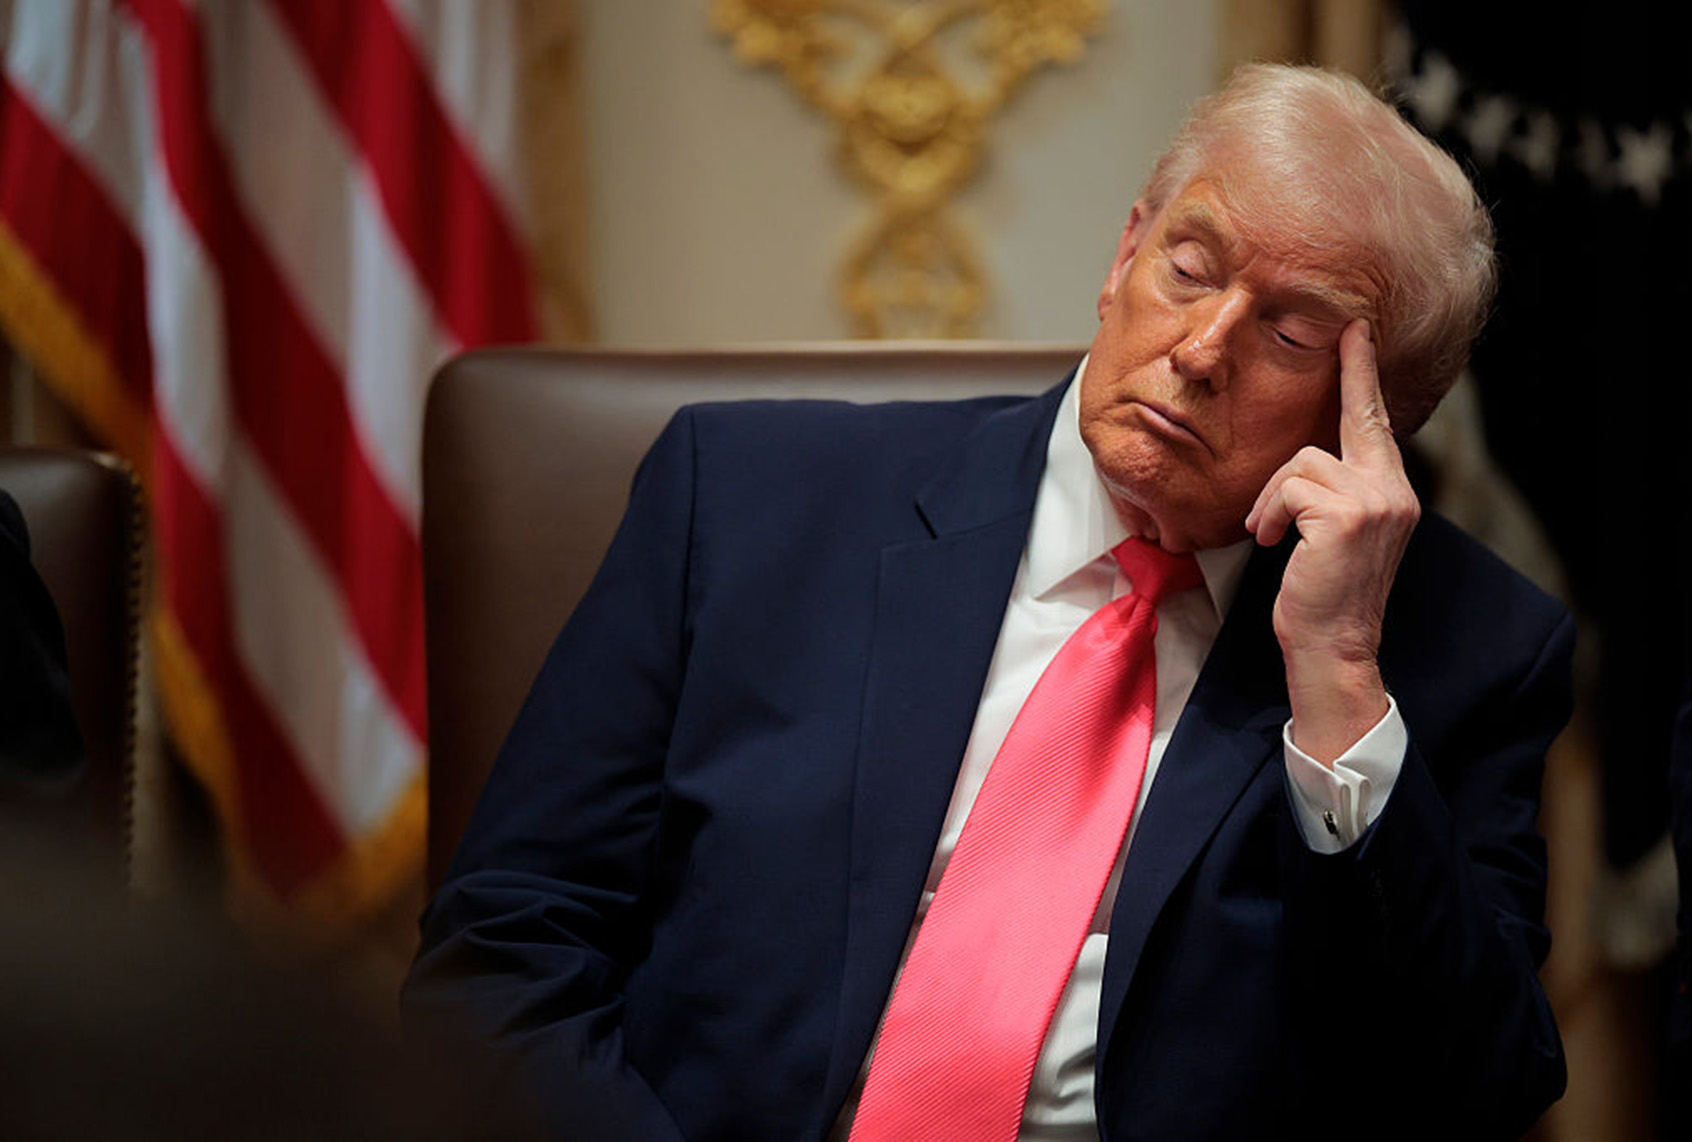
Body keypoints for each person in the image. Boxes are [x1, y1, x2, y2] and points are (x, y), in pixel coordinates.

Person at [404, 64, 1572, 1140]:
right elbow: (510, 951)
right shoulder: (750, 504)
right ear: (1124, 253)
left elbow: (1465, 1095)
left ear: (1385, 417)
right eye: (1189, 263)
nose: (1203, 349)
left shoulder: (1458, 650)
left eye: (1293, 329)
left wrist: (1338, 683)